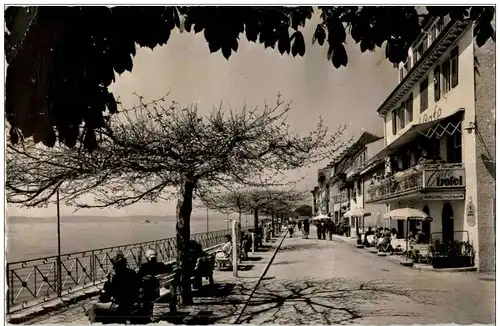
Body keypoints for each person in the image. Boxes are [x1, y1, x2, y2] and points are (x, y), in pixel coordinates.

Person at [87, 251, 141, 324]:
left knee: (93, 307)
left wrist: (108, 280)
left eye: (114, 265)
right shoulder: (132, 273)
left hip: (121, 306)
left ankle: (94, 323)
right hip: (132, 303)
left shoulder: (117, 277)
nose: (113, 267)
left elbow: (107, 295)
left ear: (116, 266)